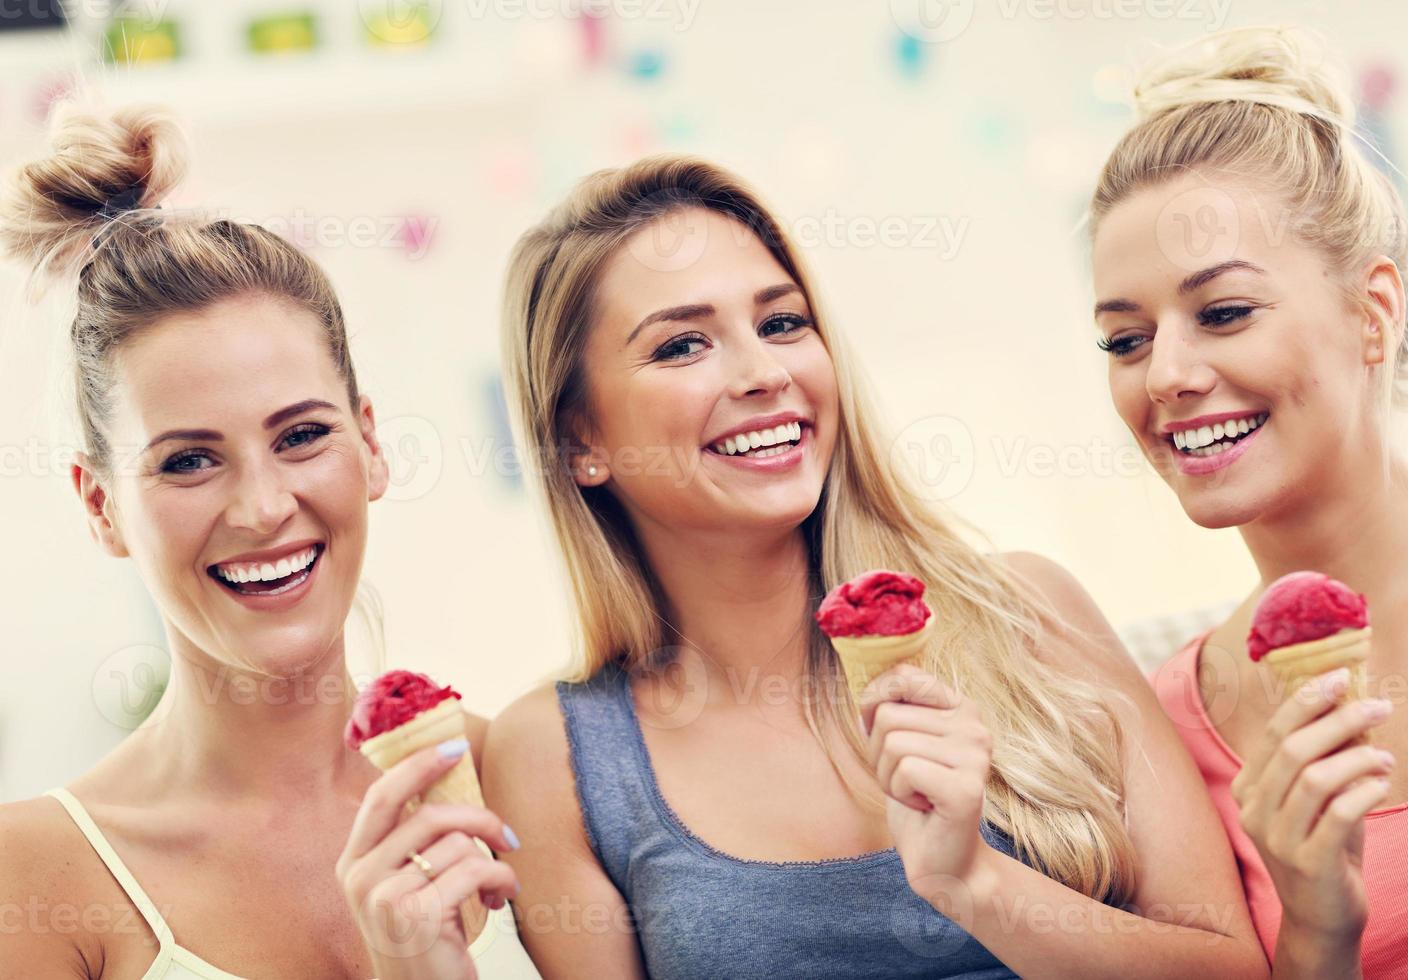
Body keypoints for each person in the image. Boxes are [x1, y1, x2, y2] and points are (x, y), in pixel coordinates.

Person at [482, 155, 1269, 978]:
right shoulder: (553, 755)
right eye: (683, 345)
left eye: (783, 323)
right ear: (580, 441)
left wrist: (977, 887)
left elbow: (1235, 970)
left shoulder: (1028, 611)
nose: (764, 373)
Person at [0, 104, 535, 980]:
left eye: (300, 436)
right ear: (99, 506)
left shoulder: (517, 772)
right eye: (188, 460)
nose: (261, 507)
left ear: (370, 445)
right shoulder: (35, 877)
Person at [1090, 26, 1408, 979]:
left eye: (1223, 313)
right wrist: (1318, 931)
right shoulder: (1170, 729)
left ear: (1372, 313)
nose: (1166, 375)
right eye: (1125, 341)